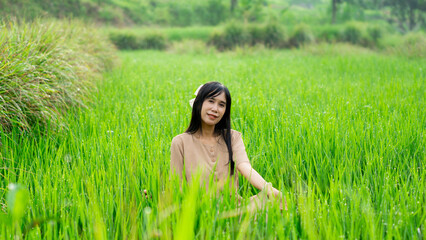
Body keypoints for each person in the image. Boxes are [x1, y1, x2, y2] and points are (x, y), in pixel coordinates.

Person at [170, 82, 286, 211]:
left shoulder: (233, 138)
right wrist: (157, 195)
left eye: (221, 105)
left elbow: (245, 167)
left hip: (235, 208)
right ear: (198, 103)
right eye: (211, 101)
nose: (215, 109)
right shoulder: (180, 142)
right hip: (201, 211)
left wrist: (269, 189)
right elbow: (177, 185)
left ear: (225, 111)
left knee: (272, 201)